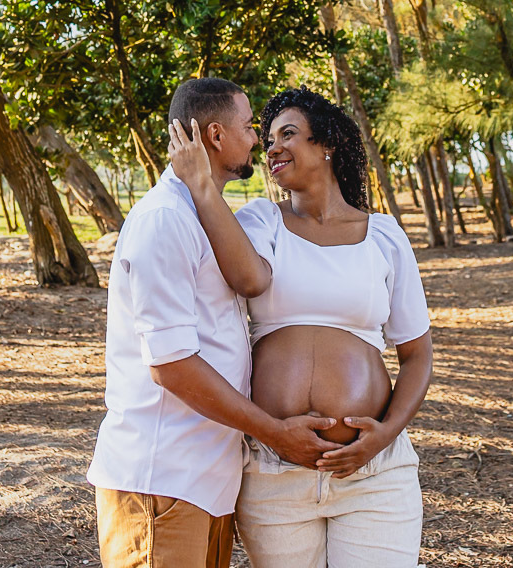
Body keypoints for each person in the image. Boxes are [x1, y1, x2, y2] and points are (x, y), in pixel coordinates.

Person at [168, 84, 433, 568]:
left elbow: (417, 354)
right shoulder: (260, 221)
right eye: (267, 138)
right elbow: (248, 280)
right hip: (276, 472)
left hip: (371, 473)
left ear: (326, 142)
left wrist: (385, 434)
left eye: (287, 134)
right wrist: (202, 186)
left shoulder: (385, 237)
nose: (271, 148)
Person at [87, 76, 336, 568]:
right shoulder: (165, 220)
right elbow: (172, 366)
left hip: (206, 481)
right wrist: (274, 431)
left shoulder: (205, 215)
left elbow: (252, 284)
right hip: (162, 480)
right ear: (217, 136)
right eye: (250, 127)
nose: (258, 140)